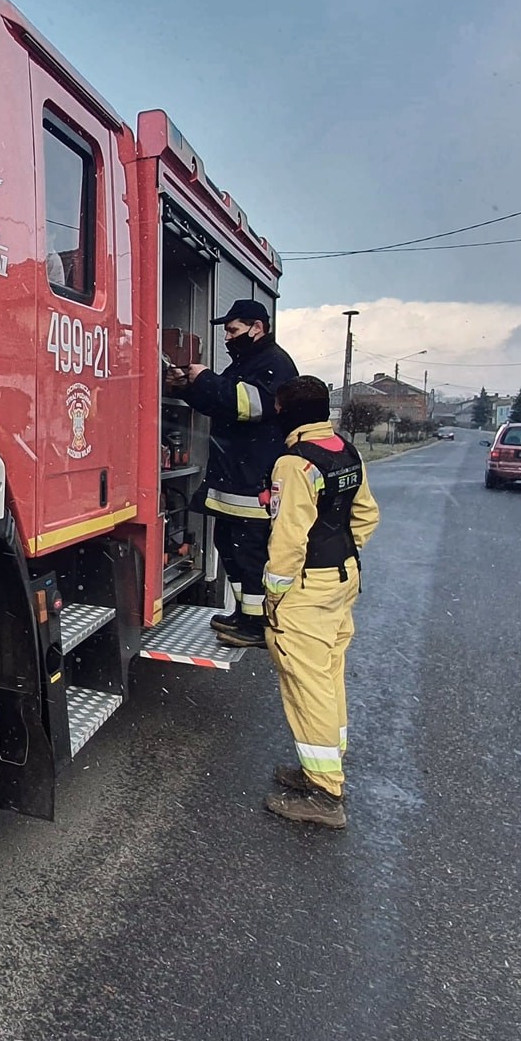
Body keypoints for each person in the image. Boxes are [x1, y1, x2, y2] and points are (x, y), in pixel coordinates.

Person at [259, 376, 379, 830]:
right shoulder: (346, 451)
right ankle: (322, 769)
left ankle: (326, 795)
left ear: (286, 411)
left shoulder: (294, 463)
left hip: (306, 590)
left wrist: (274, 594)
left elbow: (288, 540)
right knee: (327, 676)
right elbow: (366, 514)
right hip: (342, 581)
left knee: (307, 683)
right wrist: (341, 551)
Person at [163, 299, 298, 648]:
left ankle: (256, 625)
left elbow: (248, 407)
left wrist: (205, 377)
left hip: (253, 481)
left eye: (233, 330)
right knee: (229, 545)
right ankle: (243, 614)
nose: (227, 337)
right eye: (226, 331)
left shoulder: (274, 363)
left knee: (250, 553)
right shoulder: (248, 361)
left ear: (257, 328)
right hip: (235, 478)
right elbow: (220, 402)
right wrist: (188, 387)